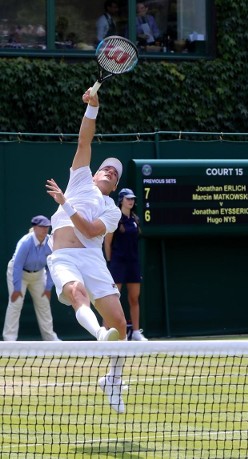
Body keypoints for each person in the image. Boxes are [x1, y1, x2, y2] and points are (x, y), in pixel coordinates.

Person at [45, 88, 128, 414]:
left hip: (92, 258)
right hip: (64, 257)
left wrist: (65, 204)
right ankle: (97, 335)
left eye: (115, 173)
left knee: (121, 324)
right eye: (106, 168)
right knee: (76, 292)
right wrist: (92, 109)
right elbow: (84, 142)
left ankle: (113, 378)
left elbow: (91, 231)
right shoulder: (79, 179)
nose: (110, 171)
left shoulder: (111, 209)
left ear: (115, 185)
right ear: (93, 173)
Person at [3, 215, 60, 341]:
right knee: (15, 304)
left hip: (39, 275)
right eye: (41, 227)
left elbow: (51, 265)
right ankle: (9, 340)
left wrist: (48, 287)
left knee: (44, 304)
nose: (45, 229)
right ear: (34, 228)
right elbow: (17, 266)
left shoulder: (50, 243)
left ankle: (51, 339)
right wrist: (17, 289)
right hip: (18, 274)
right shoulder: (25, 242)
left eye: (47, 227)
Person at [105, 188, 147, 341]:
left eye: (133, 199)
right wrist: (110, 262)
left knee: (134, 298)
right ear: (121, 200)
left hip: (133, 264)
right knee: (111, 298)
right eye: (128, 198)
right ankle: (106, 330)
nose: (131, 201)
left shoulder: (135, 220)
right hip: (117, 263)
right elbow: (107, 242)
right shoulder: (115, 218)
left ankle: (136, 332)